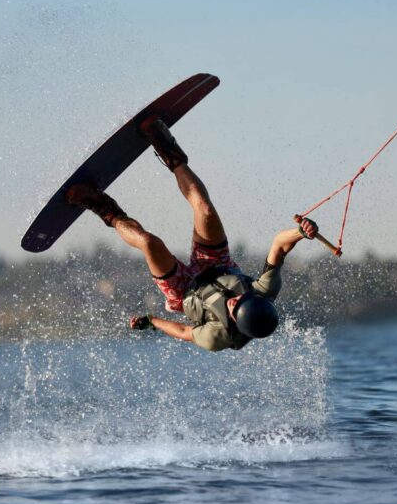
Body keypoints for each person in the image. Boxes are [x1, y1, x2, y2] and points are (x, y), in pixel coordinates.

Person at [66, 116, 319, 352]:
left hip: (184, 291)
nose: (233, 302)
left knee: (150, 243)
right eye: (239, 300)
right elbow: (279, 246)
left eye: (232, 309)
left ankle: (102, 206)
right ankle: (168, 149)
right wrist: (301, 231)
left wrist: (152, 321)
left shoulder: (217, 338)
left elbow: (184, 330)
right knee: (205, 210)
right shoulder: (264, 291)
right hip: (217, 264)